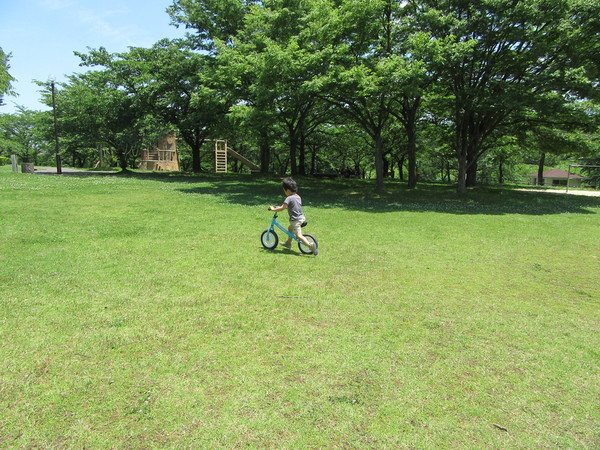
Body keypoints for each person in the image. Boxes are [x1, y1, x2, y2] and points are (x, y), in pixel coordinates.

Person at [268, 177, 318, 255]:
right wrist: (278, 206)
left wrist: (272, 209)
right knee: (290, 228)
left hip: (296, 220)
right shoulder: (298, 197)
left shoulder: (289, 198)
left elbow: (283, 208)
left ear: (287, 190)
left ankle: (310, 246)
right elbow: (289, 206)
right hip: (301, 218)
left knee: (298, 235)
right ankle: (288, 243)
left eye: (284, 190)